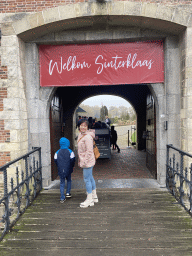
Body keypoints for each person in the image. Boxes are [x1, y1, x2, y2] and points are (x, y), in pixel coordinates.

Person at [77, 118, 98, 208]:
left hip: (87, 161)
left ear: (87, 127)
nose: (83, 127)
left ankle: (89, 199)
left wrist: (84, 162)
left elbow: (89, 151)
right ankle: (94, 196)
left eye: (85, 126)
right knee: (90, 177)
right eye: (81, 125)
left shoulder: (88, 137)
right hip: (88, 161)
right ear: (79, 126)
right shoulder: (81, 134)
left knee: (87, 179)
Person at [54, 137, 76, 203]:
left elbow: (55, 160)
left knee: (62, 182)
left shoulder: (57, 152)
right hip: (68, 169)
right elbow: (73, 160)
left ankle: (62, 197)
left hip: (61, 169)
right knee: (69, 180)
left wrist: (59, 166)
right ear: (68, 143)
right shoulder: (70, 151)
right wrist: (72, 166)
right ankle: (68, 193)